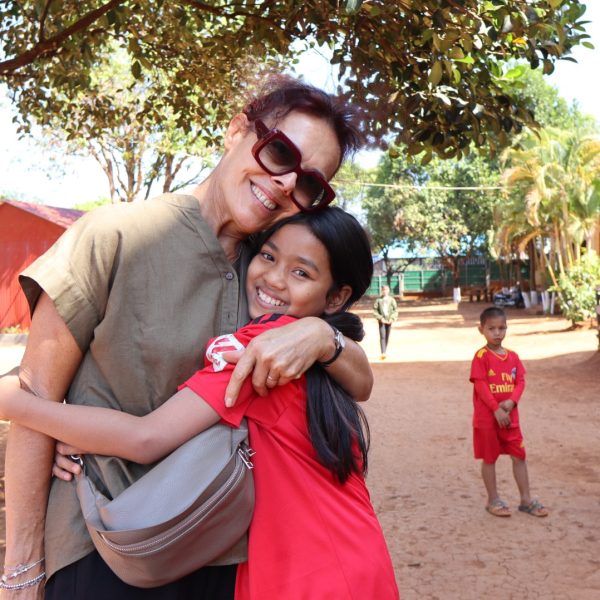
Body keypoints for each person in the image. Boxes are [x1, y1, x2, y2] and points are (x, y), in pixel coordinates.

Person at [1, 76, 375, 599]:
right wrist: (20, 570)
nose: (286, 183)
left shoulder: (270, 275)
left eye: (310, 183)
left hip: (224, 554)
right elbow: (34, 396)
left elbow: (358, 378)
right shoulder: (115, 236)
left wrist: (320, 335)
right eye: (280, 152)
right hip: (105, 545)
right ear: (237, 131)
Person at [469, 306, 548, 518]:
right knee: (489, 458)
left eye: (501, 328)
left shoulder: (513, 356)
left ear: (506, 328)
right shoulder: (481, 357)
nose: (497, 333)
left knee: (519, 456)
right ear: (481, 329)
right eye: (491, 328)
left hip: (511, 419)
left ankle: (526, 500)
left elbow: (520, 381)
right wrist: (496, 409)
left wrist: (512, 402)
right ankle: (493, 499)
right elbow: (480, 385)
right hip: (488, 419)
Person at [373, 284, 398, 359]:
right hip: (382, 321)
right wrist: (380, 318)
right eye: (383, 290)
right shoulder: (378, 300)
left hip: (389, 320)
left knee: (387, 336)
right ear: (381, 291)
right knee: (382, 336)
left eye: (386, 290)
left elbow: (395, 310)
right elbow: (375, 311)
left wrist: (392, 318)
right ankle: (383, 353)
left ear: (389, 290)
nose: (385, 291)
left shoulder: (392, 300)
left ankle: (385, 351)